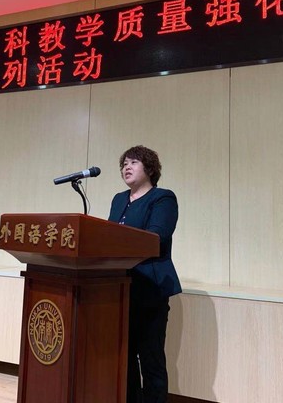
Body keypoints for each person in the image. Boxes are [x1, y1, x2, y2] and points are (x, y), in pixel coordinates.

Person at [108, 145, 182, 403]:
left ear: (149, 168)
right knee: (124, 358)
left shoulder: (162, 198)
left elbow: (156, 237)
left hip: (150, 289)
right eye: (124, 164)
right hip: (119, 288)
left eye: (133, 162)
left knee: (151, 358)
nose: (126, 167)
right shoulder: (119, 199)